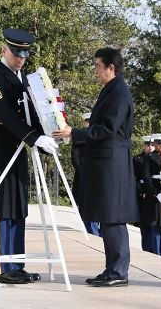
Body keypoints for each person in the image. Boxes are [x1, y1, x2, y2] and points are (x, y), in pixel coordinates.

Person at [53, 47, 138, 287]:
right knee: (106, 217)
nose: (95, 71)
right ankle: (112, 268)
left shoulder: (119, 92)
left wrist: (75, 133)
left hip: (113, 164)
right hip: (106, 164)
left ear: (111, 68)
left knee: (113, 218)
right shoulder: (111, 90)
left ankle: (119, 271)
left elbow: (108, 129)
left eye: (98, 67)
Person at [0, 28, 58, 284]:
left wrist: (46, 135)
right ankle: (3, 267)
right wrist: (33, 137)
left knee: (17, 206)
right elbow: (5, 114)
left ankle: (16, 264)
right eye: (16, 53)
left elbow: (31, 112)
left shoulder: (22, 78)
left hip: (18, 147)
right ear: (4, 50)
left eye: (24, 54)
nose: (20, 58)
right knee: (1, 207)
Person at [70, 112, 101, 236]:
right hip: (83, 177)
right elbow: (75, 159)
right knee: (84, 206)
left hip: (96, 177)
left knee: (96, 206)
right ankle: (91, 231)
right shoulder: (79, 138)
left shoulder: (97, 136)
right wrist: (85, 173)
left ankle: (94, 232)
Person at [133, 135, 155, 252]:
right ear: (144, 146)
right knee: (144, 224)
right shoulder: (137, 159)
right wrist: (142, 192)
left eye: (152, 145)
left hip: (155, 195)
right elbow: (134, 178)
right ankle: (146, 248)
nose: (150, 147)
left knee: (154, 223)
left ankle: (154, 249)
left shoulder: (157, 158)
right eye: (148, 145)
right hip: (143, 195)